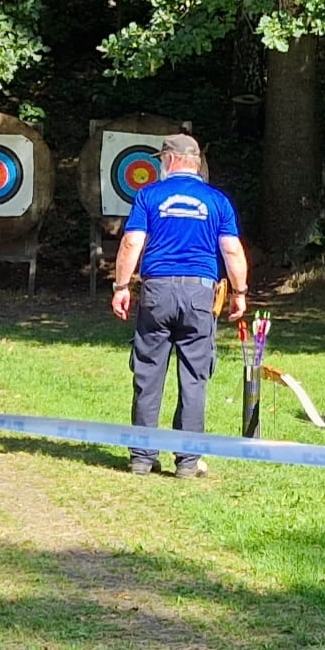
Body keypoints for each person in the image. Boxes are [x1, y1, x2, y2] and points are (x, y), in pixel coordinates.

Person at [111, 133, 248, 478]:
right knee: (194, 377)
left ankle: (142, 457)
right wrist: (239, 292)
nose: (159, 166)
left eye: (160, 160)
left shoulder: (149, 195)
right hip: (201, 293)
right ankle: (187, 462)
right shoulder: (217, 200)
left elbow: (131, 243)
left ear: (170, 160)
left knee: (148, 372)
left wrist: (121, 286)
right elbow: (232, 251)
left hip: (157, 291)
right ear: (197, 161)